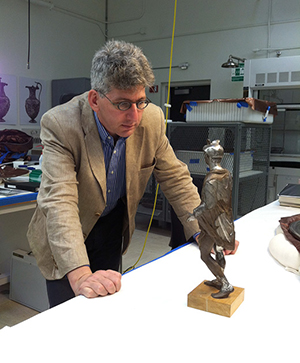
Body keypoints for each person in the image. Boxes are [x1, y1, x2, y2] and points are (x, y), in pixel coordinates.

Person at [27, 40, 205, 308]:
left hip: (111, 227)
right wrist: (80, 274)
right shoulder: (61, 124)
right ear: (96, 99)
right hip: (65, 232)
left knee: (106, 306)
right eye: (123, 104)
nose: (134, 115)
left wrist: (204, 232)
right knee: (70, 314)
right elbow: (59, 201)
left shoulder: (152, 119)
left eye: (140, 101)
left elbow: (176, 178)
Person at [188, 140, 239, 298]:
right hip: (224, 220)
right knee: (218, 249)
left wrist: (194, 214)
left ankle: (225, 283)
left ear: (206, 157)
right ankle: (219, 278)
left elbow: (208, 205)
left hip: (212, 223)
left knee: (204, 254)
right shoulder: (226, 174)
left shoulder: (211, 180)